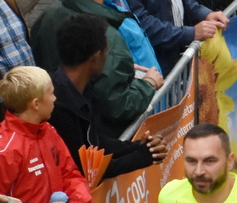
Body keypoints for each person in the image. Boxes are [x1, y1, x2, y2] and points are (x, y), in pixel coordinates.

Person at [30, 0, 159, 135]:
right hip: (96, 140)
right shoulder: (106, 38)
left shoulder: (46, 16)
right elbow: (118, 106)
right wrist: (149, 83)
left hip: (57, 125)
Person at [46, 14, 167, 184]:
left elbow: (95, 141)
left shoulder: (83, 89)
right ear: (95, 57)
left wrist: (139, 147)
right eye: (107, 52)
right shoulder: (56, 108)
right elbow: (85, 166)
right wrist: (143, 156)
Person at [0, 66, 94, 203]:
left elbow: (70, 173)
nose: (55, 98)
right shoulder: (6, 150)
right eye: (51, 93)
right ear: (36, 104)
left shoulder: (47, 131)